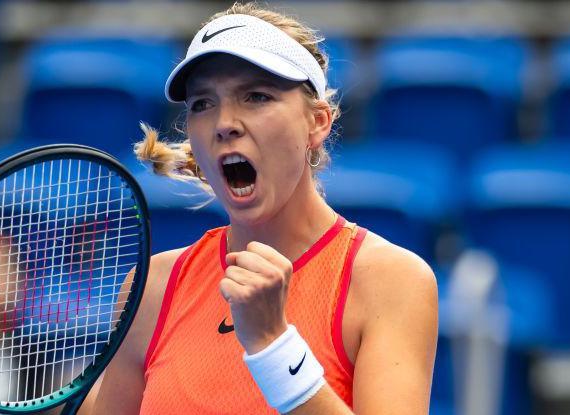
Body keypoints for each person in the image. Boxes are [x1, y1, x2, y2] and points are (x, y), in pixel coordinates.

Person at [83, 2, 438, 414]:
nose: (224, 122)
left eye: (256, 96)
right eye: (202, 103)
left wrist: (273, 345)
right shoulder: (151, 289)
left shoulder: (391, 281)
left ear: (317, 122)